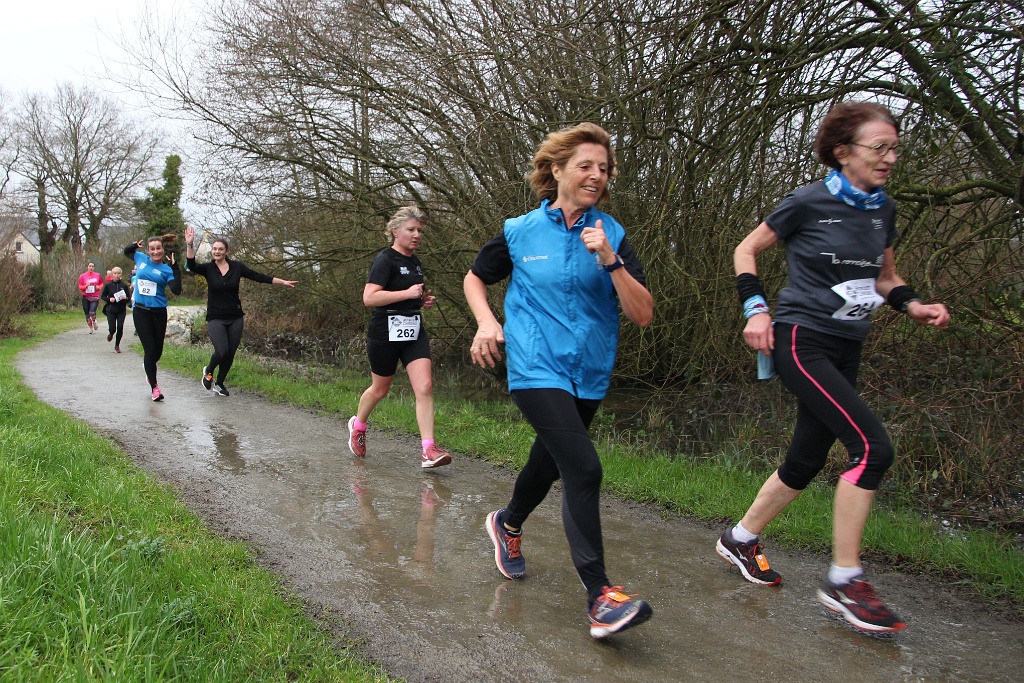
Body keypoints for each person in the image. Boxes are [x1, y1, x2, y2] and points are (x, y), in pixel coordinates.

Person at [716, 101, 950, 634]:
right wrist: (756, 310)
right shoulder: (808, 201)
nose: (890, 157)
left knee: (806, 458)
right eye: (879, 147)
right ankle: (845, 579)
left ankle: (740, 539)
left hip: (848, 344)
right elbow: (746, 250)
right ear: (843, 151)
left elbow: (884, 278)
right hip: (801, 339)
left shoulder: (883, 210)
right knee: (872, 449)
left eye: (895, 148)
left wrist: (913, 305)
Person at [464, 122, 655, 639]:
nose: (596, 175)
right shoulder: (520, 231)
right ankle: (600, 596)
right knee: (584, 468)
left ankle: (507, 521)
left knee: (549, 461)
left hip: (588, 370)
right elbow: (475, 277)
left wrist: (611, 261)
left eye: (604, 168)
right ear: (556, 169)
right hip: (534, 365)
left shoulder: (612, 234)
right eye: (585, 165)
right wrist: (486, 322)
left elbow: (642, 314)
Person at [346, 205, 452, 469]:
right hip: (385, 331)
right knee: (380, 389)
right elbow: (369, 298)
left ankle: (428, 449)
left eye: (420, 231)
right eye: (411, 230)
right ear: (395, 231)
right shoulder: (385, 260)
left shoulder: (415, 262)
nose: (417, 235)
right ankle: (358, 426)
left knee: (425, 386)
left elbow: (411, 294)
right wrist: (407, 294)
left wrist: (421, 301)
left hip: (413, 330)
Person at [184, 225, 298, 396]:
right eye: (214, 249)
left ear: (226, 251)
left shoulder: (237, 267)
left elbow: (258, 276)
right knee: (222, 351)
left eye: (220, 249)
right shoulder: (208, 268)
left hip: (235, 317)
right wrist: (190, 244)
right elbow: (192, 266)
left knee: (230, 353)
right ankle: (208, 370)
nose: (217, 252)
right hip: (216, 317)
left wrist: (281, 282)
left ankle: (220, 383)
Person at [125, 235, 182, 401]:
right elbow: (127, 251)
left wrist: (175, 268)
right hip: (141, 311)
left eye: (158, 248)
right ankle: (155, 388)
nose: (156, 251)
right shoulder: (140, 258)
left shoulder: (166, 269)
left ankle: (148, 366)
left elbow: (176, 290)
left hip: (159, 312)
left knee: (157, 352)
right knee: (149, 350)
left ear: (163, 249)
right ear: (148, 250)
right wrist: (134, 245)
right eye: (152, 249)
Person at [99, 267, 131, 353]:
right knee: (112, 328)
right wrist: (109, 299)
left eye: (118, 273)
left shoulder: (124, 286)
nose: (117, 275)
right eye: (115, 273)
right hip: (111, 309)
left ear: (121, 275)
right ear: (112, 275)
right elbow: (103, 296)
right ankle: (111, 333)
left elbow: (129, 298)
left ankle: (117, 345)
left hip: (121, 309)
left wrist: (125, 298)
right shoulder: (108, 285)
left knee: (120, 327)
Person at [77, 262, 104, 333]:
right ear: (87, 267)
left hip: (95, 296)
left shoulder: (97, 275)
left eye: (92, 266)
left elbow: (101, 284)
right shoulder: (83, 276)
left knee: (92, 312)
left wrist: (98, 287)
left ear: (94, 268)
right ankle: (91, 328)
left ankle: (94, 321)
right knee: (87, 314)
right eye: (90, 266)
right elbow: (80, 286)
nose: (91, 268)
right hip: (85, 296)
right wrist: (86, 286)